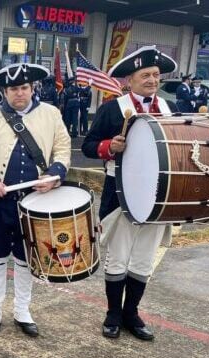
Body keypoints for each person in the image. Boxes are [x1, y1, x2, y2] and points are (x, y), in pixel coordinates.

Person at [81, 45, 177, 341]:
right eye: (145, 75)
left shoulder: (167, 109)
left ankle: (132, 313)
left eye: (156, 75)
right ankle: (112, 313)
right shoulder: (113, 108)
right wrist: (109, 147)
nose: (152, 80)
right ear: (129, 80)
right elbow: (88, 146)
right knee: (118, 257)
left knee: (144, 259)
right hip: (120, 193)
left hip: (157, 195)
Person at [0, 63, 71, 338]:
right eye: (14, 89)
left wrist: (54, 174)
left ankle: (22, 310)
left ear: (32, 88)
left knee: (27, 258)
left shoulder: (51, 114)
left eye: (24, 87)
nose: (20, 93)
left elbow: (63, 150)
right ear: (5, 91)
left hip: (35, 203)